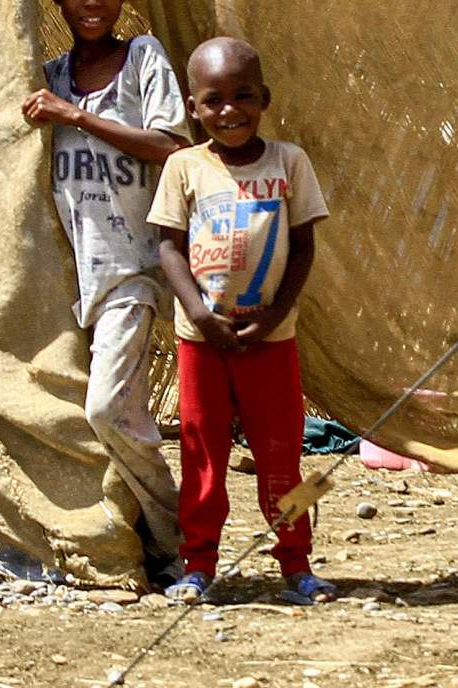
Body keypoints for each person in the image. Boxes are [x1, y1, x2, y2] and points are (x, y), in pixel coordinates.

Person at [21, 0, 188, 585]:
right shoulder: (49, 77)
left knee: (107, 410)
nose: (92, 2)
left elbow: (172, 147)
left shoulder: (142, 60)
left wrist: (78, 117)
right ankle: (133, 538)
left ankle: (180, 539)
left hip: (133, 270)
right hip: (73, 278)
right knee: (114, 416)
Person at [148, 35, 335, 606]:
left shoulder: (289, 162)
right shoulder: (184, 166)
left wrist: (275, 314)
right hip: (202, 341)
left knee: (283, 457)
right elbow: (169, 247)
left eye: (243, 96)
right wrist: (198, 313)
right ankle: (198, 564)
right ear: (193, 107)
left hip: (270, 339)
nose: (229, 110)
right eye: (214, 100)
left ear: (264, 99)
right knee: (202, 455)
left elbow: (303, 247)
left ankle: (297, 562)